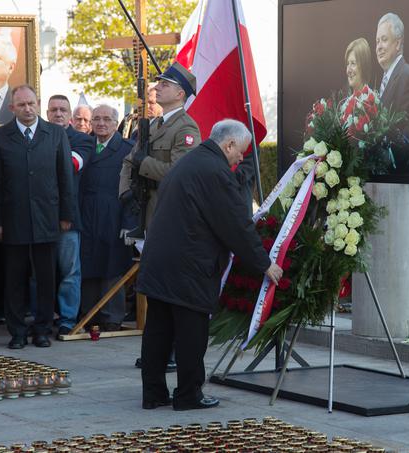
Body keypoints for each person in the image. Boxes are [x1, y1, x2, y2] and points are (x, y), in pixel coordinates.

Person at [137, 119, 283, 411]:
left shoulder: (191, 162)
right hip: (189, 266)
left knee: (159, 330)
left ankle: (153, 394)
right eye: (240, 152)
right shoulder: (215, 172)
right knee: (191, 332)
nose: (241, 158)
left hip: (160, 261)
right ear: (228, 145)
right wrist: (264, 263)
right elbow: (235, 224)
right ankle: (188, 395)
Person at [0, 85, 75, 349]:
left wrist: (66, 215)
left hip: (47, 217)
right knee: (14, 278)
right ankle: (16, 332)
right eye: (21, 105)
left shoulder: (56, 134)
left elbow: (65, 178)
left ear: (38, 104)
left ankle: (42, 329)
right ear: (12, 107)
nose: (27, 109)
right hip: (13, 219)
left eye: (31, 104)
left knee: (46, 278)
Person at [119, 62, 201, 235]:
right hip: (144, 209)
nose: (157, 87)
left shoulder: (186, 128)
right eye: (159, 83)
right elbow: (129, 160)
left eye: (165, 84)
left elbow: (179, 172)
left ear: (180, 94)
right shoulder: (154, 124)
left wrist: (145, 163)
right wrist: (125, 191)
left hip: (169, 211)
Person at [79, 104, 134, 332]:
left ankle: (112, 316)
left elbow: (135, 189)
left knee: (113, 265)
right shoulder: (85, 146)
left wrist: (129, 223)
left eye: (107, 119)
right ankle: (89, 315)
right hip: (87, 213)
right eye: (97, 119)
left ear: (116, 122)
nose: (101, 123)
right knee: (88, 263)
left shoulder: (128, 149)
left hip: (115, 214)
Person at [46, 94, 93, 337]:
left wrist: (37, 157)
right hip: (40, 217)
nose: (58, 113)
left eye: (63, 109)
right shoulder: (38, 134)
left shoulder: (82, 140)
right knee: (38, 274)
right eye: (53, 109)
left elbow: (72, 165)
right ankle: (42, 317)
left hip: (68, 219)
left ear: (70, 114)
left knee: (70, 272)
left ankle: (67, 319)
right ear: (47, 113)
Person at [375, 12, 409, 173]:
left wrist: (391, 154)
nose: (379, 47)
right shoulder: (379, 80)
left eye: (384, 39)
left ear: (398, 44)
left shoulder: (408, 74)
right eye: (377, 41)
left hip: (398, 172)